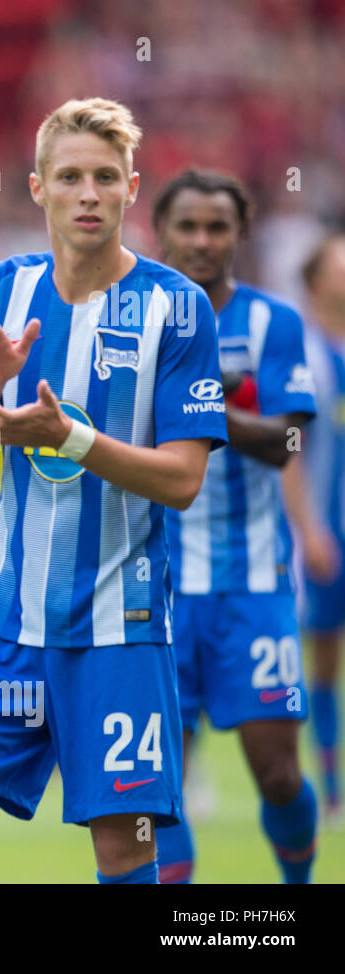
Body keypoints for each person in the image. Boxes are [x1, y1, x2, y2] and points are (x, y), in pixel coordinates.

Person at [0, 98, 227, 884]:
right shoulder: (4, 292)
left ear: (131, 190)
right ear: (38, 188)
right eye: (71, 177)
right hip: (4, 618)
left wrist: (68, 438)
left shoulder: (175, 308)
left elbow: (183, 480)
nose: (89, 193)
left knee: (123, 850)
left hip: (119, 624)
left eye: (106, 178)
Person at [152, 169, 319, 882]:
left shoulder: (271, 322)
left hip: (253, 586)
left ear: (239, 234)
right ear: (160, 232)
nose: (200, 240)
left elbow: (288, 441)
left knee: (278, 774)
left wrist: (205, 408)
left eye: (216, 227)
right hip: (154, 589)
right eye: (186, 226)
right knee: (155, 788)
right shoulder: (134, 319)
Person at [284, 234, 345, 825]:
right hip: (328, 533)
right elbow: (292, 450)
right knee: (321, 658)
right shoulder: (303, 354)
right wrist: (310, 529)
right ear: (316, 280)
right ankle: (329, 787)